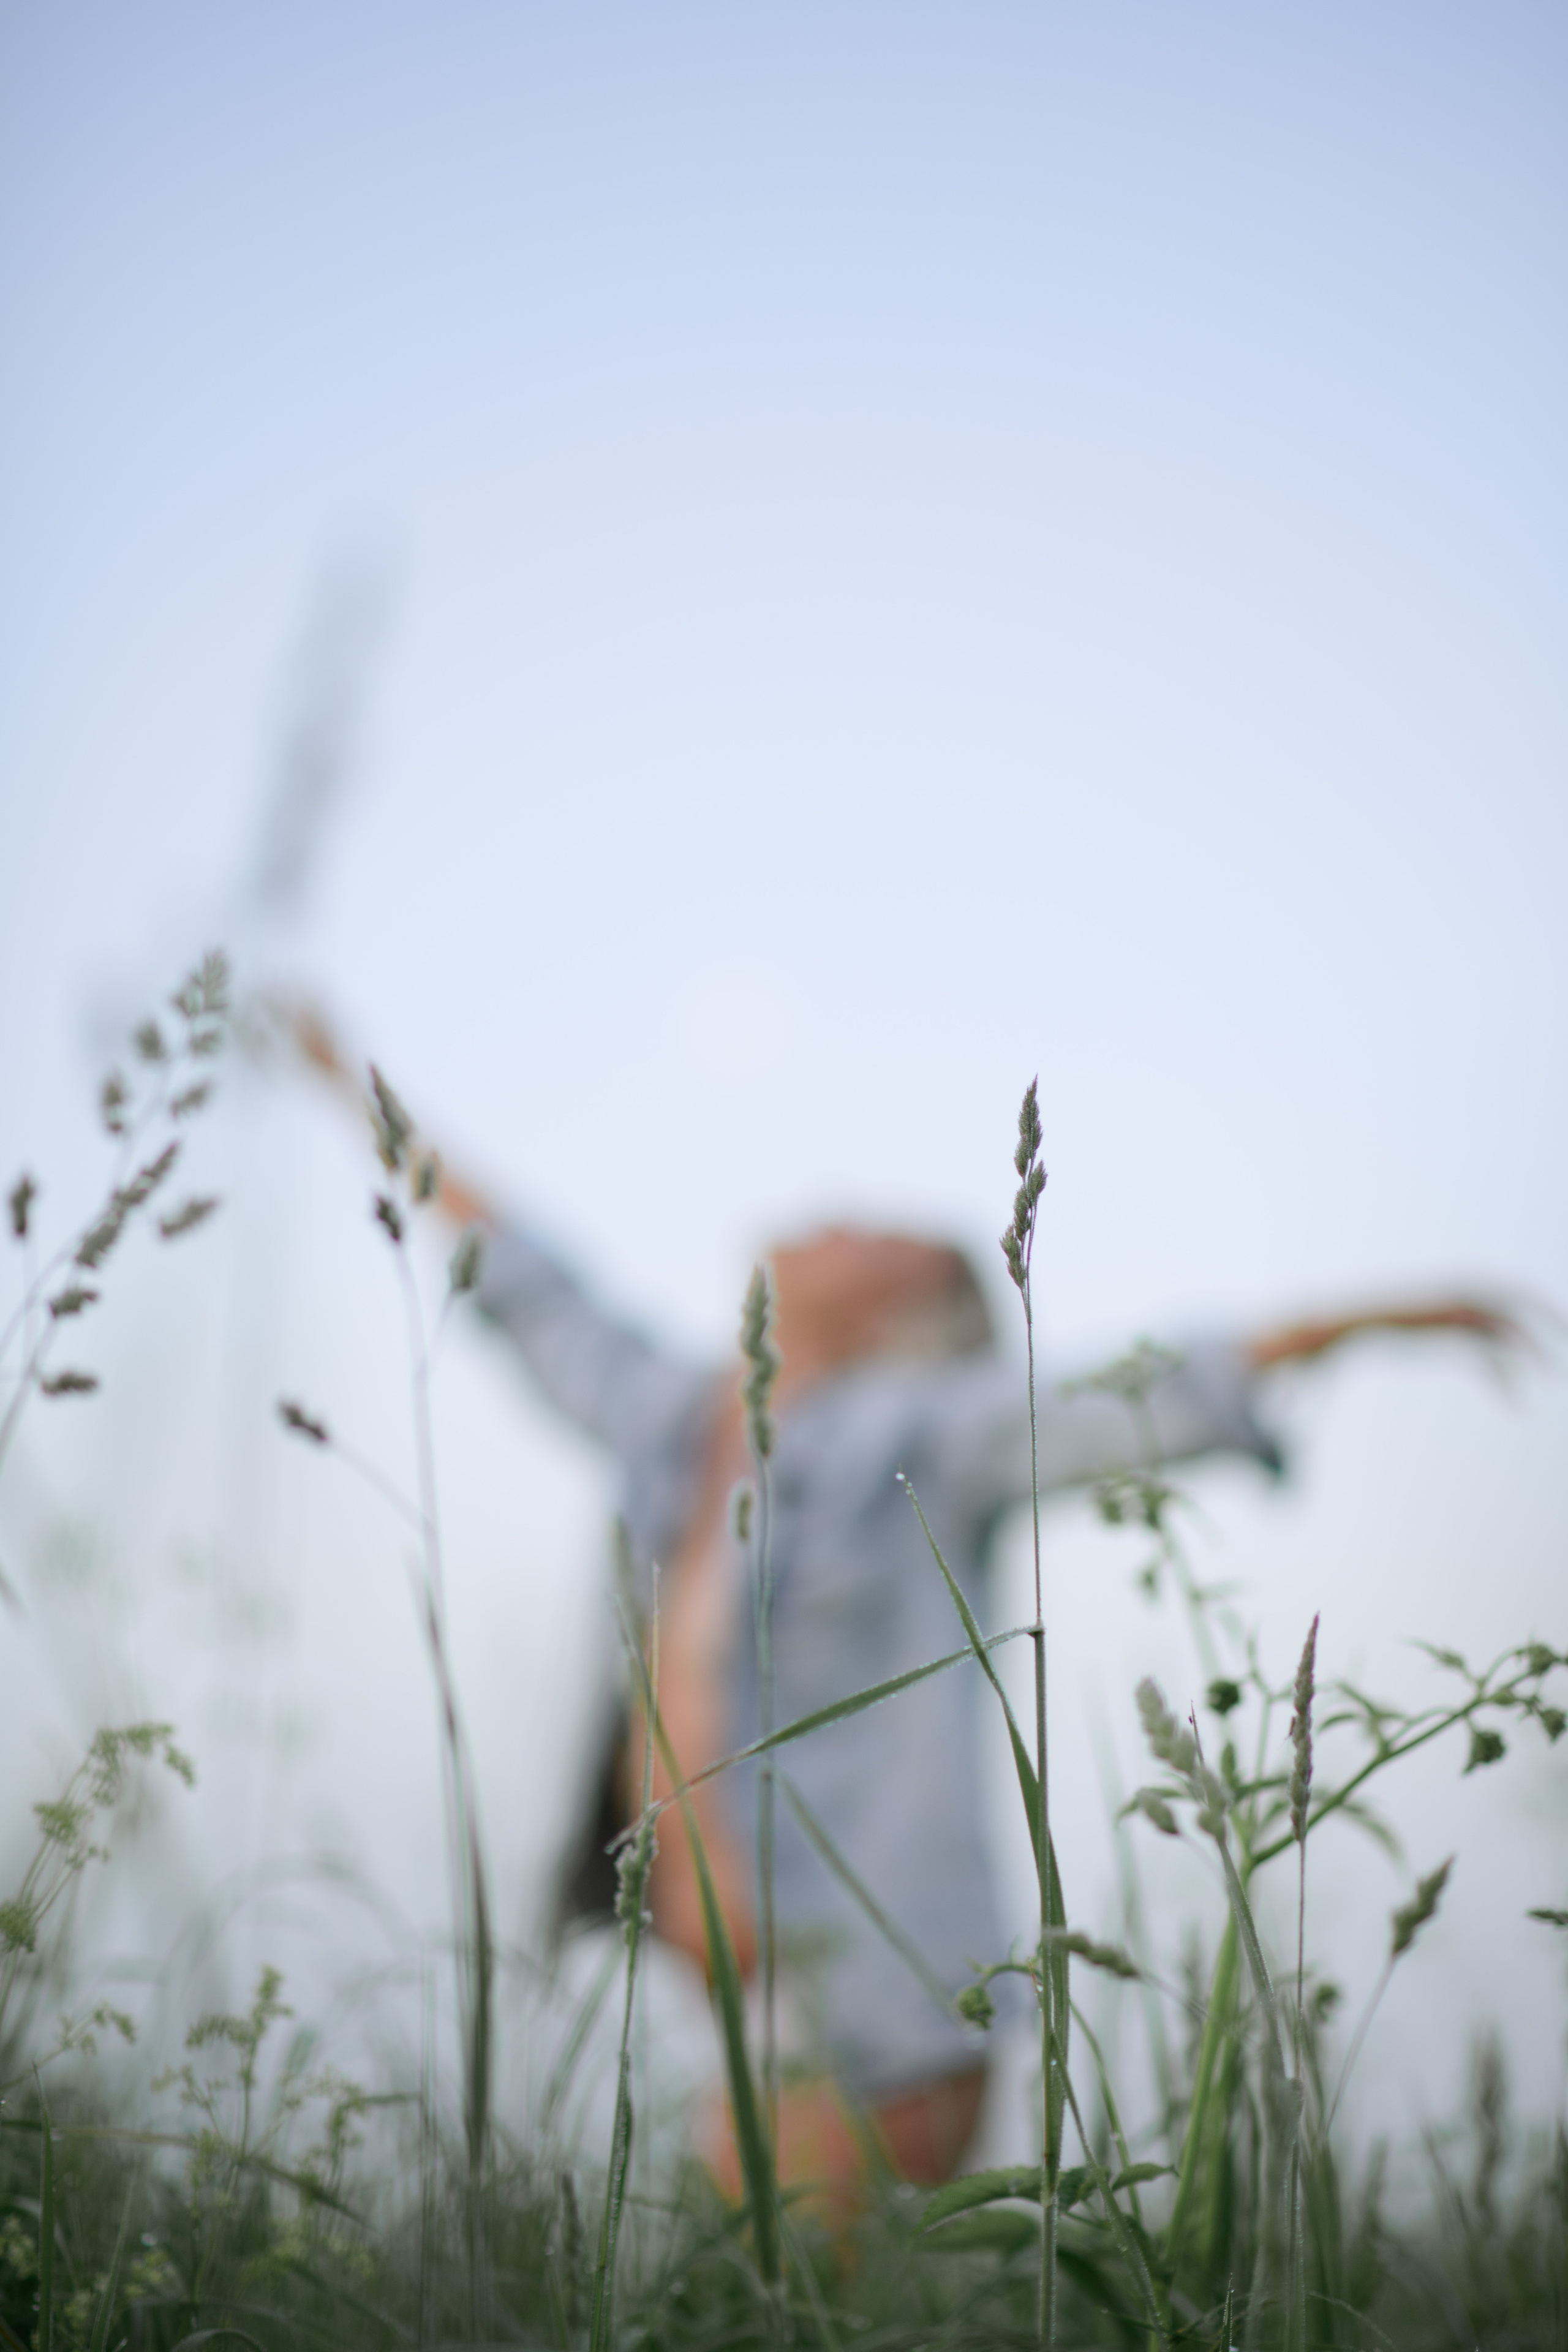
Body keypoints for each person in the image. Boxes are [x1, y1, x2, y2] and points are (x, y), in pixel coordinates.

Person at [287, 1008, 1521, 2199]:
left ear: (894, 1318)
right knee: (757, 2298)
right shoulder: (671, 1415)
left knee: (785, 2300)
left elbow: (1146, 1388)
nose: (833, 1212)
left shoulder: (924, 1437)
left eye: (872, 1233)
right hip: (739, 1955)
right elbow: (521, 1271)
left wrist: (1380, 1319)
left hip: (880, 1969)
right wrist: (353, 1086)